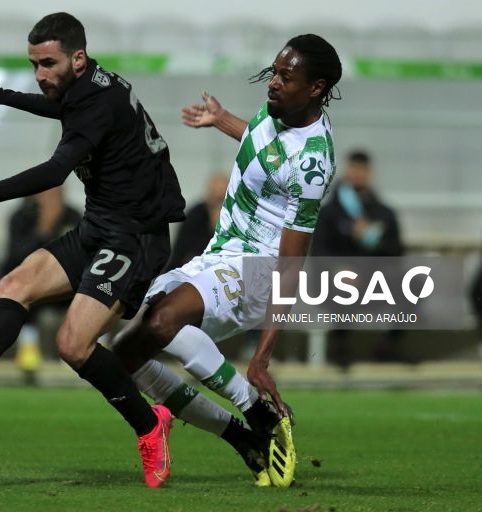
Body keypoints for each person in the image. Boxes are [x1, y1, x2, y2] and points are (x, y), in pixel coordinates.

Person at [0, 12, 189, 488]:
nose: (40, 75)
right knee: (16, 282)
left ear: (77, 56)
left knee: (73, 346)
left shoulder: (96, 102)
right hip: (100, 225)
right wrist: (0, 95)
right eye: (33, 65)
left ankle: (150, 423)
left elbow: (54, 173)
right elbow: (61, 105)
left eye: (47, 64)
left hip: (136, 237)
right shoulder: (90, 84)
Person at [111, 34, 342, 487]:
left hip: (258, 272)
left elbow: (293, 265)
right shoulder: (279, 111)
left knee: (161, 322)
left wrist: (263, 357)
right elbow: (264, 148)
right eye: (273, 72)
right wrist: (222, 121)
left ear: (316, 87)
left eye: (285, 77)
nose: (273, 83)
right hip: (220, 257)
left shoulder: (314, 162)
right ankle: (246, 439)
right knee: (125, 350)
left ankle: (258, 409)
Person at [311, 150, 404, 366]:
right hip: (336, 282)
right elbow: (320, 253)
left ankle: (388, 346)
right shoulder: (329, 213)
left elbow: (396, 251)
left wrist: (371, 240)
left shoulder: (383, 213)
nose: (357, 174)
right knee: (345, 283)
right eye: (354, 169)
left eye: (362, 170)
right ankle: (340, 347)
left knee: (416, 284)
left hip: (375, 281)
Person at [0, 186, 80, 378]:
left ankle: (80, 346)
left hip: (66, 281)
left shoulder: (73, 215)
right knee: (24, 290)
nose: (54, 198)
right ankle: (28, 347)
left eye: (59, 193)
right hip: (34, 282)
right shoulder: (20, 216)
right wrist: (43, 230)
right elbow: (15, 256)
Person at [167, 172, 229, 270]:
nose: (217, 203)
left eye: (221, 198)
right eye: (214, 193)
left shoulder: (237, 219)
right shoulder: (195, 215)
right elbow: (181, 252)